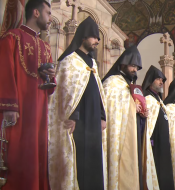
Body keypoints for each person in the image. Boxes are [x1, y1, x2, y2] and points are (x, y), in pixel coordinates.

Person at [48, 17, 107, 190]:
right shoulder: (69, 61)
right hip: (79, 123)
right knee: (81, 161)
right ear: (83, 37)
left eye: (98, 38)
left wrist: (102, 116)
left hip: (94, 119)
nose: (97, 41)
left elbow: (98, 93)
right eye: (94, 37)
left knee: (95, 160)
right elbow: (67, 91)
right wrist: (73, 116)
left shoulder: (93, 63)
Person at [0, 1, 54, 189]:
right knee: (17, 154)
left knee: (37, 154)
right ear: (36, 13)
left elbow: (49, 86)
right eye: (48, 12)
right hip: (18, 109)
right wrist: (9, 106)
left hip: (39, 111)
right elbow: (4, 71)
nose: (50, 18)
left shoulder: (46, 47)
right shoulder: (12, 38)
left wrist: (51, 78)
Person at [102, 45, 147, 190]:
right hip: (119, 137)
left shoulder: (132, 86)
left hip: (133, 134)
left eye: (137, 67)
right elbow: (112, 108)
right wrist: (133, 106)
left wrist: (143, 113)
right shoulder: (112, 82)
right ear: (123, 64)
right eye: (133, 66)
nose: (135, 70)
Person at [141, 65, 174, 190]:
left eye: (162, 80)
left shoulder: (159, 100)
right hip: (154, 145)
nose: (161, 82)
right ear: (151, 80)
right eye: (158, 79)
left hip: (164, 145)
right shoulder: (147, 98)